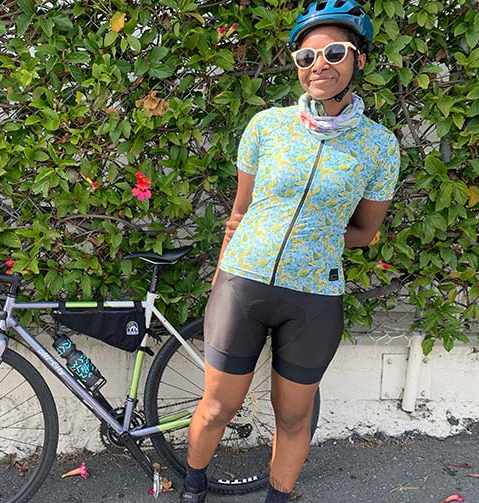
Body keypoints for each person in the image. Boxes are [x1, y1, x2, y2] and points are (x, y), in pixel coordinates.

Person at [179, 1, 401, 502]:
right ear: (297, 64)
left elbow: (365, 231)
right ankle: (192, 489)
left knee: (295, 415)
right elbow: (240, 214)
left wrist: (312, 235)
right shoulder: (267, 126)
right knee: (217, 407)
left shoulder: (380, 146)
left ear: (358, 60)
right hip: (244, 284)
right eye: (306, 56)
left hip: (314, 298)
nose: (319, 64)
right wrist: (221, 276)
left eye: (334, 52)